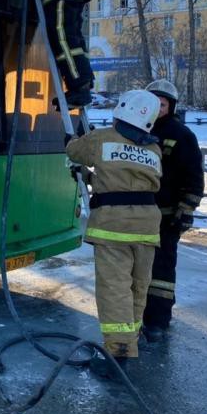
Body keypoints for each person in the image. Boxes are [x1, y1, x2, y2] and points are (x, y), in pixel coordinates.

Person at [65, 90, 162, 375]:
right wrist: (92, 178)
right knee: (137, 287)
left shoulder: (103, 137)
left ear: (121, 109)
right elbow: (127, 181)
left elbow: (74, 151)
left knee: (114, 290)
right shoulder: (153, 150)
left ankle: (117, 355)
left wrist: (71, 140)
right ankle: (129, 343)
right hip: (147, 227)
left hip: (114, 227)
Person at [142, 79, 204, 342]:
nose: (157, 108)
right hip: (139, 214)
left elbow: (193, 177)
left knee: (161, 271)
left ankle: (158, 320)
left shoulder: (181, 135)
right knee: (138, 268)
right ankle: (139, 314)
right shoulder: (135, 129)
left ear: (172, 106)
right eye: (152, 103)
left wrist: (186, 210)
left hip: (166, 217)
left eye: (162, 103)